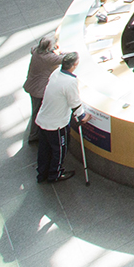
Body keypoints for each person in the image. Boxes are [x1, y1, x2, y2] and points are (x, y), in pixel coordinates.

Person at [34, 52, 85, 184]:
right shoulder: (70, 82)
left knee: (44, 149)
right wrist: (82, 116)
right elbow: (74, 103)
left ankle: (42, 173)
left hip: (43, 119)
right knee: (60, 150)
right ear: (75, 65)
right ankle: (55, 174)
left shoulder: (56, 73)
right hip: (56, 125)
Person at [24, 33, 63, 144]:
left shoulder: (36, 51)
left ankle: (36, 133)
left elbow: (33, 48)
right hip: (39, 90)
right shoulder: (48, 58)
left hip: (32, 85)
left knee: (36, 110)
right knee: (38, 112)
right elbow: (64, 59)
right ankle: (34, 135)